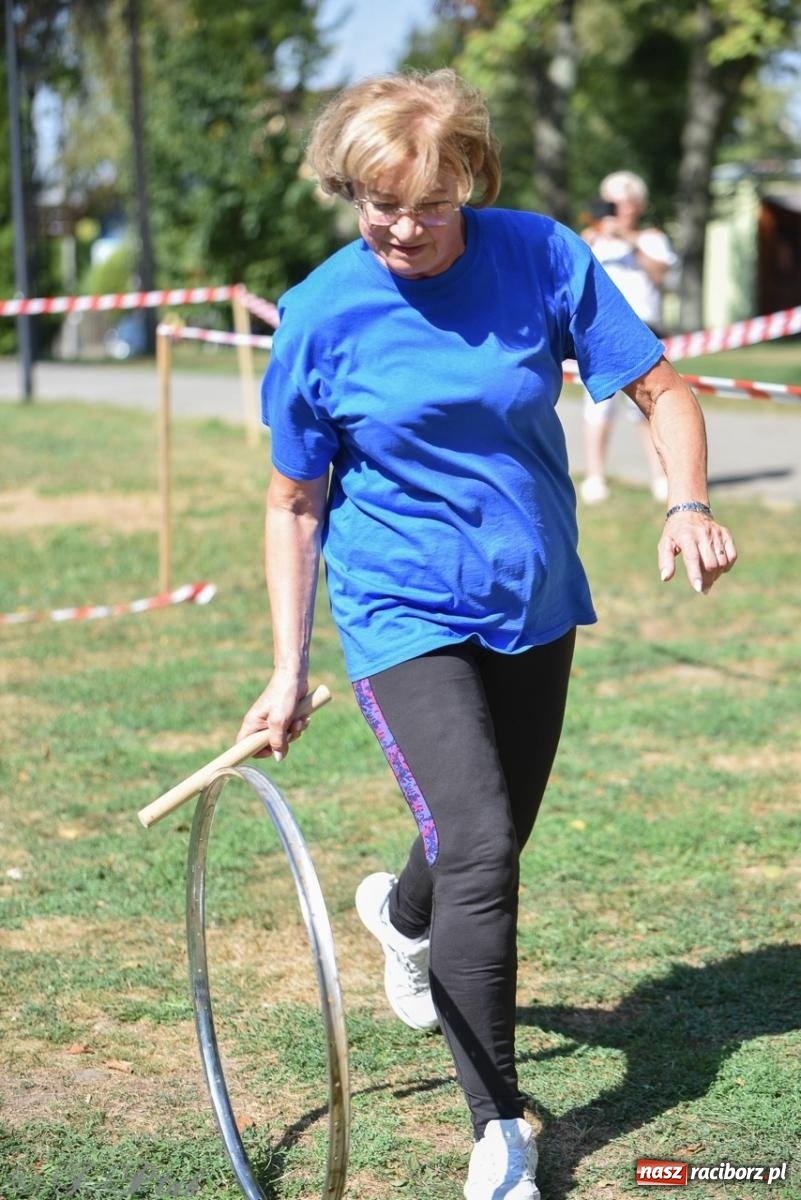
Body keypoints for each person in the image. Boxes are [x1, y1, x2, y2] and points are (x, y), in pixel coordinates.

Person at [237, 70, 737, 1200]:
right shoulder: (321, 311)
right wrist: (287, 665)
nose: (405, 227)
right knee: (480, 846)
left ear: (471, 181)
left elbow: (661, 390)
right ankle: (498, 1125)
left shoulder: (541, 255)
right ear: (347, 190)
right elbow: (295, 500)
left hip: (535, 598)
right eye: (378, 203)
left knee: (483, 837)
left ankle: (401, 918)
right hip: (400, 608)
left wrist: (688, 504)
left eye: (430, 202)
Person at [578, 171, 678, 505]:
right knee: (599, 407)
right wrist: (596, 237)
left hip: (644, 329)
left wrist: (628, 239)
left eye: (621, 202)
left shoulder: (651, 238)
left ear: (637, 205)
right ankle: (595, 476)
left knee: (648, 408)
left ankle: (661, 477)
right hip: (600, 331)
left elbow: (661, 274)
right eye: (609, 202)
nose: (615, 209)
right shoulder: (592, 239)